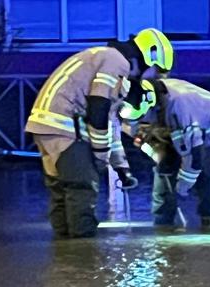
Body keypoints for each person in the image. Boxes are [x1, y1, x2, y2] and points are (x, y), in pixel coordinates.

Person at [25, 28, 174, 238]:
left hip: (46, 126)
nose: (151, 77)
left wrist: (121, 168)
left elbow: (110, 122)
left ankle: (63, 260)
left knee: (61, 192)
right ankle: (83, 259)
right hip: (65, 127)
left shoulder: (106, 60)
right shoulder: (116, 61)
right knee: (82, 188)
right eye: (155, 70)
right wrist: (100, 153)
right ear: (150, 55)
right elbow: (99, 106)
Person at [121, 78, 210, 233]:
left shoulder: (182, 105)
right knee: (163, 175)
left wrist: (181, 187)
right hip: (168, 126)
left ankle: (209, 223)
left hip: (207, 134)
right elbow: (134, 132)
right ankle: (163, 224)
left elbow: (194, 158)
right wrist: (159, 157)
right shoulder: (129, 99)